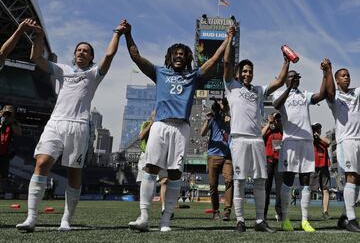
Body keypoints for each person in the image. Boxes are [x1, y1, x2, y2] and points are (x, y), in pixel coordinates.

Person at [16, 19, 126, 232]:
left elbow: (110, 55)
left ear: (91, 57)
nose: (81, 53)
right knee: (41, 164)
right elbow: (35, 57)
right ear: (74, 54)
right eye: (78, 50)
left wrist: (117, 33)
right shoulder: (62, 70)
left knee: (74, 173)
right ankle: (31, 218)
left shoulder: (94, 74)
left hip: (79, 126)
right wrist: (38, 35)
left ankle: (66, 220)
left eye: (86, 51)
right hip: (56, 123)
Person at [125, 20, 233, 232]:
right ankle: (144, 217)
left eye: (183, 54)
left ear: (187, 58)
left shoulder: (193, 76)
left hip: (181, 128)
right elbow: (136, 57)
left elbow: (214, 59)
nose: (179, 56)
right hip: (160, 125)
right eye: (175, 53)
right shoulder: (159, 72)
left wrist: (228, 39)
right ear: (169, 57)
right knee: (151, 168)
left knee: (174, 173)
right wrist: (128, 35)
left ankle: (166, 220)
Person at [223, 28, 290, 233]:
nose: (247, 74)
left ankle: (260, 221)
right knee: (240, 181)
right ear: (237, 73)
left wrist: (286, 61)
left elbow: (278, 81)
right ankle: (240, 220)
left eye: (250, 71)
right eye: (244, 71)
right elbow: (225, 63)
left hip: (256, 140)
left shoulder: (259, 90)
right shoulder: (231, 86)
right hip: (239, 139)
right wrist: (230, 38)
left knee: (261, 181)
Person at [272, 58, 333, 232]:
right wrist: (288, 87)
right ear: (286, 80)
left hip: (306, 142)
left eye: (297, 76)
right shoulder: (279, 94)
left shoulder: (304, 95)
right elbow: (276, 105)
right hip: (290, 141)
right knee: (289, 181)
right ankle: (286, 219)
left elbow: (320, 95)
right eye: (291, 76)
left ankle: (305, 220)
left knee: (306, 181)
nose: (295, 78)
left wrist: (324, 74)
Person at [325, 67, 360, 232]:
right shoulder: (334, 96)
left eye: (348, 75)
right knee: (351, 176)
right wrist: (329, 71)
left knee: (357, 179)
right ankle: (352, 220)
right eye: (343, 76)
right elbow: (330, 92)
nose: (347, 78)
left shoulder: (356, 94)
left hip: (359, 140)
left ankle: (345, 217)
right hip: (346, 141)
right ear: (337, 80)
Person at [200, 99, 233, 221]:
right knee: (213, 185)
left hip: (227, 155)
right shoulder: (213, 118)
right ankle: (215, 211)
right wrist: (208, 120)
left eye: (223, 104)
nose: (222, 107)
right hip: (213, 155)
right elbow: (202, 133)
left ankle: (227, 212)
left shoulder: (231, 118)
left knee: (229, 180)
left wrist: (230, 122)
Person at [262, 112, 283, 221]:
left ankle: (279, 213)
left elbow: (285, 132)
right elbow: (261, 135)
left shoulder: (281, 129)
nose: (275, 119)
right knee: (266, 188)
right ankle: (263, 213)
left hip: (279, 161)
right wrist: (269, 124)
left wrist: (279, 122)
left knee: (280, 188)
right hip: (268, 160)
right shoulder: (267, 129)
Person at [309, 122, 331, 220]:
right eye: (315, 129)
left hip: (324, 168)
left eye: (318, 129)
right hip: (313, 168)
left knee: (325, 190)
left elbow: (329, 142)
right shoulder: (310, 140)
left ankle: (325, 212)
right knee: (309, 190)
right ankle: (306, 212)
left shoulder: (323, 140)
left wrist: (319, 136)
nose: (317, 131)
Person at [0, 105, 21, 193]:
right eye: (6, 112)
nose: (7, 114)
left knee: (3, 175)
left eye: (10, 112)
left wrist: (11, 122)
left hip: (5, 152)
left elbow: (19, 132)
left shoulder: (14, 122)